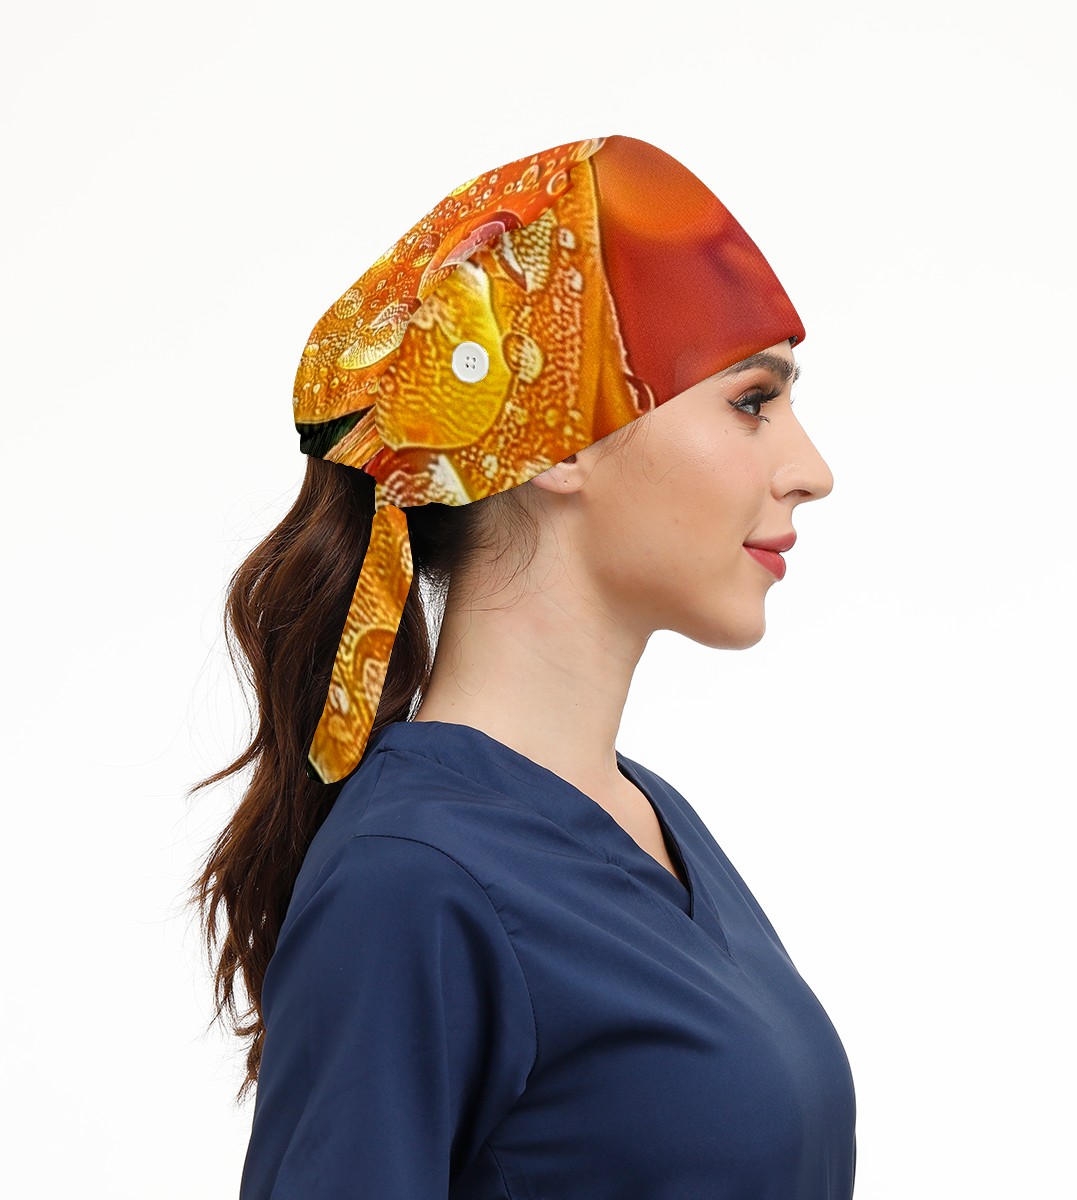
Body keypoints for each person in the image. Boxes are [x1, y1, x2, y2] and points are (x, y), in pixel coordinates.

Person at [188, 134, 857, 1198]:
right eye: (751, 401)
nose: (810, 469)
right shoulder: (413, 879)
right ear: (560, 438)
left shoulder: (647, 819)